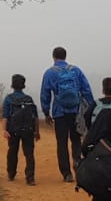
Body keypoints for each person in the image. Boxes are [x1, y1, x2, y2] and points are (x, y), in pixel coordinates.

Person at [40, 46, 96, 183]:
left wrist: (46, 112)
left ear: (53, 57)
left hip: (59, 113)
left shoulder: (49, 73)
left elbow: (45, 94)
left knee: (62, 142)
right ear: (65, 56)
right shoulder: (76, 70)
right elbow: (86, 89)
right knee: (76, 140)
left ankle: (66, 174)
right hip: (76, 112)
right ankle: (77, 164)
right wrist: (90, 107)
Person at [2, 73, 40, 185]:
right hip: (28, 130)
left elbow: (5, 116)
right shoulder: (29, 99)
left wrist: (4, 130)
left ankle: (11, 173)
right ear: (23, 85)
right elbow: (36, 117)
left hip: (13, 130)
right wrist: (36, 132)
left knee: (12, 151)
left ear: (12, 85)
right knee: (29, 153)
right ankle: (30, 178)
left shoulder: (9, 99)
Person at [78, 76, 111, 143]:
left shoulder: (96, 103)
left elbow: (87, 115)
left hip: (97, 136)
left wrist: (91, 130)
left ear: (103, 91)